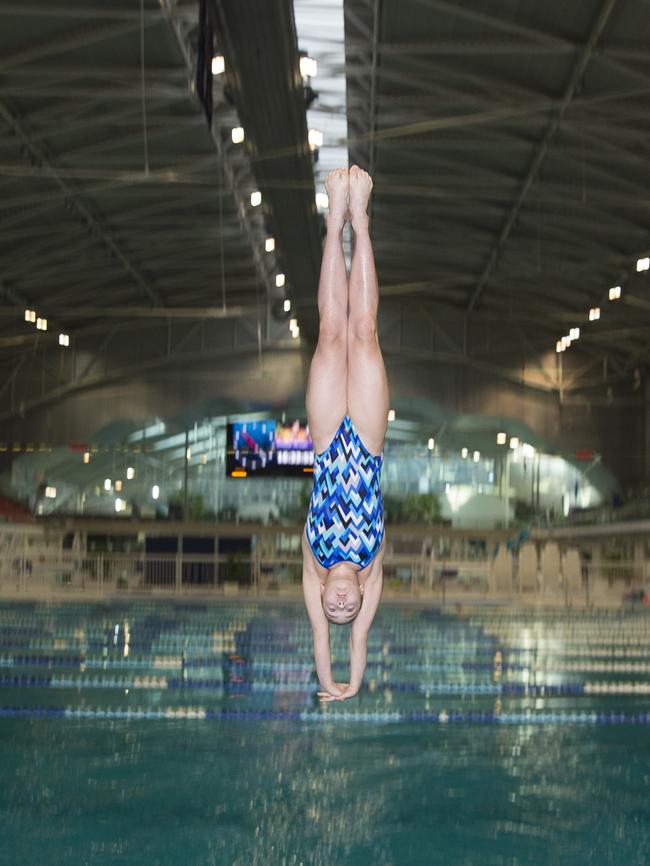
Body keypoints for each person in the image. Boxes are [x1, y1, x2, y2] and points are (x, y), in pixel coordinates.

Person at [302, 165, 389, 703]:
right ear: (358, 595)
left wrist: (327, 681)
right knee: (365, 335)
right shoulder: (371, 570)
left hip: (329, 436)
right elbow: (356, 641)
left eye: (333, 612)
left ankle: (336, 222)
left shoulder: (313, 569)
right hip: (370, 440)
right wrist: (354, 683)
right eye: (346, 610)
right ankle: (362, 215)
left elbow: (320, 637)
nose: (337, 611)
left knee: (332, 336)